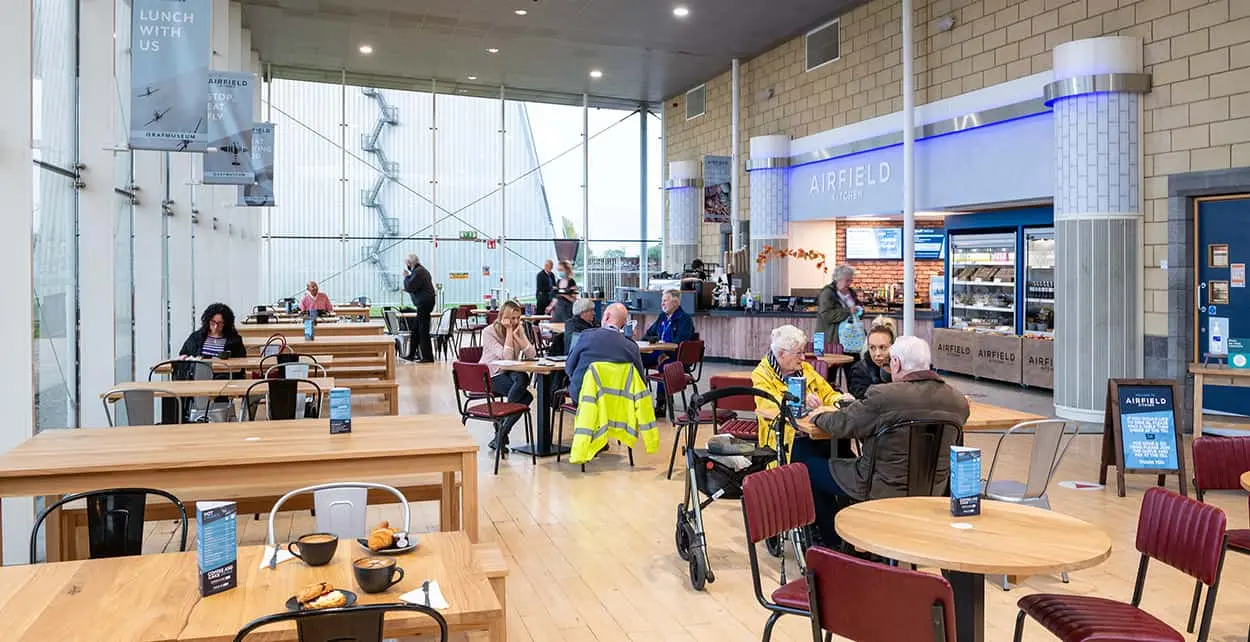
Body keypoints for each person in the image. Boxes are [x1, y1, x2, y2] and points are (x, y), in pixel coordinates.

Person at [803, 336, 970, 546]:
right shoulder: (957, 401)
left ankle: (832, 542)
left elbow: (844, 424)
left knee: (809, 469)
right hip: (933, 488)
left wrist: (817, 415)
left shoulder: (884, 396)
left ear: (896, 364)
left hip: (879, 485)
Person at [751, 325, 845, 457]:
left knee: (844, 452)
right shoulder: (761, 375)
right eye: (798, 353)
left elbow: (828, 394)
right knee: (829, 471)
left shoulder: (805, 369)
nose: (803, 358)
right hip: (787, 440)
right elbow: (769, 406)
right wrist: (799, 400)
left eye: (803, 352)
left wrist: (841, 400)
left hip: (817, 433)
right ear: (782, 354)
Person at [479, 300, 537, 452]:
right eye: (511, 318)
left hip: (510, 371)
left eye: (518, 318)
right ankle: (501, 434)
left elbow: (532, 354)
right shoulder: (489, 332)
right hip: (491, 374)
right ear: (502, 317)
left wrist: (519, 336)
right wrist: (510, 332)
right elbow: (507, 357)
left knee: (523, 377)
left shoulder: (519, 328)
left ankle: (500, 433)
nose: (515, 321)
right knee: (526, 398)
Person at [565, 303, 645, 401]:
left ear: (606, 316)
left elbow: (569, 368)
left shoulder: (586, 336)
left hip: (585, 397)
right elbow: (640, 380)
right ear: (624, 323)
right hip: (620, 400)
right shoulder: (632, 346)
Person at [643, 289, 696, 413]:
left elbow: (681, 342)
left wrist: (666, 353)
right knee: (637, 359)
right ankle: (638, 399)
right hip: (658, 353)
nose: (662, 304)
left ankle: (661, 403)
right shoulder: (662, 317)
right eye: (662, 301)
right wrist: (648, 340)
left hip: (675, 356)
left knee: (664, 365)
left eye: (665, 301)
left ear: (676, 303)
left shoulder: (684, 319)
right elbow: (649, 334)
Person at [816, 264, 862, 384]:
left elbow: (856, 310)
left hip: (851, 340)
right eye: (847, 280)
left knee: (855, 373)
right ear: (838, 279)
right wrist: (848, 311)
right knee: (829, 375)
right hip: (832, 341)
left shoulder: (851, 292)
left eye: (851, 280)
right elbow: (827, 316)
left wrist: (859, 311)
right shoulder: (827, 293)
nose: (849, 283)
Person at [847, 317, 896, 398]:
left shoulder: (902, 368)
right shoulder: (859, 370)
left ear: (893, 346)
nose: (877, 354)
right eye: (872, 348)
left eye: (882, 347)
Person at [179, 303, 247, 360]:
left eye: (220, 323)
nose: (215, 326)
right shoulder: (196, 337)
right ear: (207, 321)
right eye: (213, 322)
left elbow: (241, 361)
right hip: (199, 374)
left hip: (224, 374)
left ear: (226, 324)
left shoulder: (234, 340)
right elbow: (184, 354)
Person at [403, 253, 436, 362]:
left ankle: (427, 357)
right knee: (416, 330)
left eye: (407, 263)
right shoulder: (421, 271)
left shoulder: (418, 272)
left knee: (423, 330)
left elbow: (410, 287)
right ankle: (412, 354)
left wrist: (406, 277)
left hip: (424, 304)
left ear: (410, 263)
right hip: (425, 303)